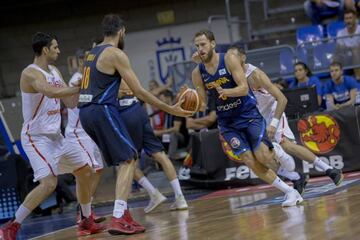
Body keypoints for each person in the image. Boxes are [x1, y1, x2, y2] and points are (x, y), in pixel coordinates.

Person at [78, 14, 193, 235]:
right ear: (121, 31)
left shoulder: (90, 54)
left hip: (85, 114)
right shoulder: (115, 54)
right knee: (130, 157)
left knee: (123, 161)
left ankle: (124, 212)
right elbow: (139, 91)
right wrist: (172, 109)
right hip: (102, 110)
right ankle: (119, 216)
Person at [0, 32, 105, 240]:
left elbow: (70, 102)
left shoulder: (55, 71)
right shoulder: (30, 74)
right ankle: (11, 226)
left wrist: (89, 89)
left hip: (56, 137)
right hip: (36, 137)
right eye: (55, 47)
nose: (58, 50)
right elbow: (50, 92)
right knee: (49, 183)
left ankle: (85, 220)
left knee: (84, 170)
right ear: (45, 49)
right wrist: (78, 85)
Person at [190, 29, 303, 207]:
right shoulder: (197, 72)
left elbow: (243, 88)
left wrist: (225, 91)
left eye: (203, 44)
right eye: (197, 46)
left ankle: (277, 152)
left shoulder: (228, 59)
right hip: (227, 123)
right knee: (250, 161)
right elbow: (202, 103)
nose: (200, 49)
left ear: (212, 44)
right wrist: (189, 101)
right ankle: (290, 191)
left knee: (263, 156)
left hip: (248, 114)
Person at [226, 45, 343, 188]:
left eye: (233, 56)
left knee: (286, 144)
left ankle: (330, 170)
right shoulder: (229, 76)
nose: (229, 60)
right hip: (255, 119)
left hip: (271, 112)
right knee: (258, 156)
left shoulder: (256, 75)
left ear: (243, 58)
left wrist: (274, 123)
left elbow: (282, 98)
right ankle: (296, 178)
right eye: (227, 58)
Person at [118, 81, 188, 213]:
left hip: (125, 115)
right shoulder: (126, 74)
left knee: (126, 163)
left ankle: (153, 194)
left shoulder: (105, 74)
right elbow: (148, 93)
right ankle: (180, 197)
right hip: (139, 112)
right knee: (160, 155)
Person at [65, 49, 105, 223]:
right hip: (78, 133)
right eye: (84, 58)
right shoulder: (76, 79)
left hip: (88, 132)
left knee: (97, 170)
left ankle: (86, 209)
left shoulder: (91, 77)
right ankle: (82, 212)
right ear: (80, 61)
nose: (88, 61)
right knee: (85, 173)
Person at [154, 90, 189, 160]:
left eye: (162, 99)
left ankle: (171, 157)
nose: (161, 101)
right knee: (155, 136)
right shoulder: (166, 111)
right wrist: (158, 133)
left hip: (180, 137)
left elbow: (176, 129)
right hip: (168, 136)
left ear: (168, 98)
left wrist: (160, 132)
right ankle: (158, 158)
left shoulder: (177, 110)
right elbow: (165, 128)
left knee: (173, 134)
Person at [335, 9, 360, 79]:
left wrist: (352, 49)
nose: (348, 21)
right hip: (347, 58)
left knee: (356, 51)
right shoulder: (340, 33)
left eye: (350, 18)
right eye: (346, 18)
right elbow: (339, 49)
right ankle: (337, 81)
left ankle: (358, 78)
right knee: (335, 57)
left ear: (355, 18)